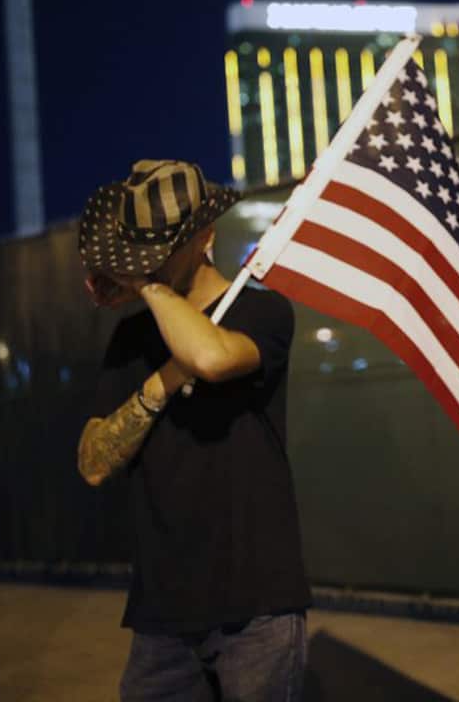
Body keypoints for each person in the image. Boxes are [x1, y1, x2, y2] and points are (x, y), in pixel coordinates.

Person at [75, 160, 310, 701]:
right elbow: (93, 462)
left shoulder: (261, 310)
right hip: (162, 614)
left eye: (160, 246)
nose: (149, 260)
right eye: (139, 247)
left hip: (256, 606)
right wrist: (158, 385)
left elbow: (208, 355)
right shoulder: (132, 339)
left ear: (204, 235)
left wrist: (147, 285)